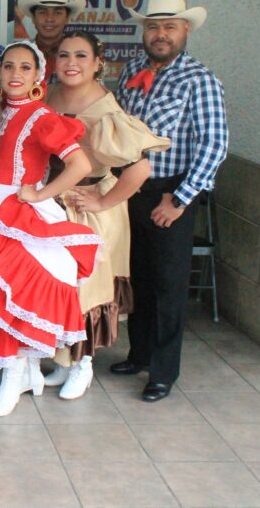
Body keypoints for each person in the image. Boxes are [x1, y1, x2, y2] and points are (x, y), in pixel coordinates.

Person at [0, 41, 99, 417]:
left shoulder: (43, 116)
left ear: (38, 75)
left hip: (20, 215)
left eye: (24, 68)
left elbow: (79, 166)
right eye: (8, 67)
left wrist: (40, 194)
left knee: (12, 298)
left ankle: (14, 376)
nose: (15, 74)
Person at [112, 0, 227, 403]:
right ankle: (138, 353)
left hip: (169, 192)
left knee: (167, 285)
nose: (161, 34)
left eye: (170, 27)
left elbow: (214, 144)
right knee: (138, 277)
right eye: (154, 26)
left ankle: (162, 371)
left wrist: (179, 200)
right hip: (130, 189)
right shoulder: (130, 70)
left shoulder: (199, 79)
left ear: (185, 31)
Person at [43, 31, 170, 399]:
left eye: (81, 56)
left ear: (98, 63)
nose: (71, 63)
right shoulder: (49, 97)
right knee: (57, 287)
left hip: (87, 209)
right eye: (64, 55)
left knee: (85, 291)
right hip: (50, 204)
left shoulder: (107, 111)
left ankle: (83, 364)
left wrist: (102, 202)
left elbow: (140, 170)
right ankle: (62, 359)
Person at [17, 0, 87, 82]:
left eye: (57, 12)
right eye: (42, 12)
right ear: (33, 18)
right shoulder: (19, 53)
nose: (49, 19)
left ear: (67, 18)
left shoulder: (81, 56)